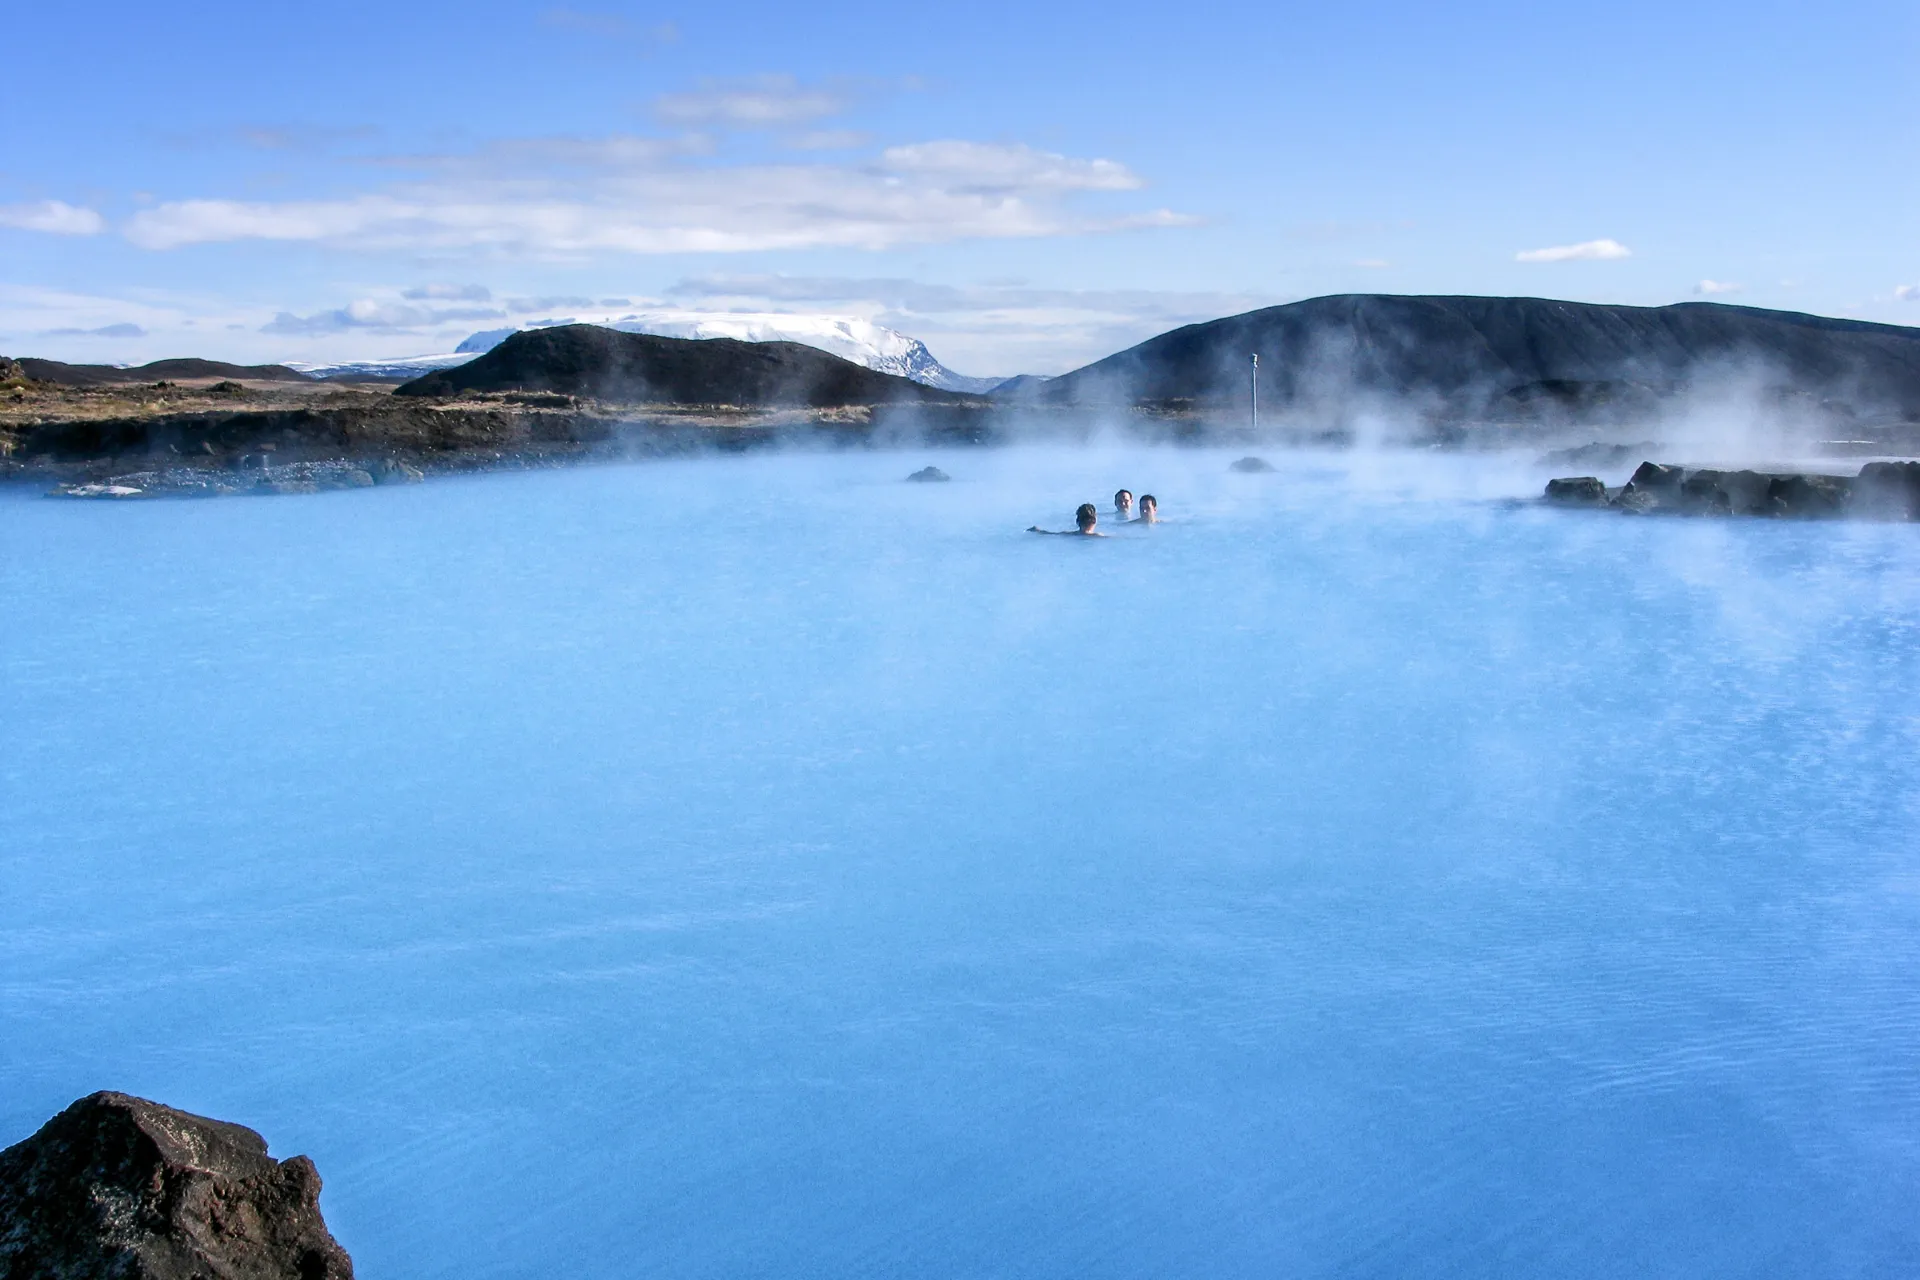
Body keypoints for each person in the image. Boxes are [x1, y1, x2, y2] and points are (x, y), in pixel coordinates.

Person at [1029, 503, 1106, 536]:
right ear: (1094, 519)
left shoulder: (1068, 534)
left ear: (1078, 520)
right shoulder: (1098, 537)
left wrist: (1037, 530)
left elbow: (1049, 534)